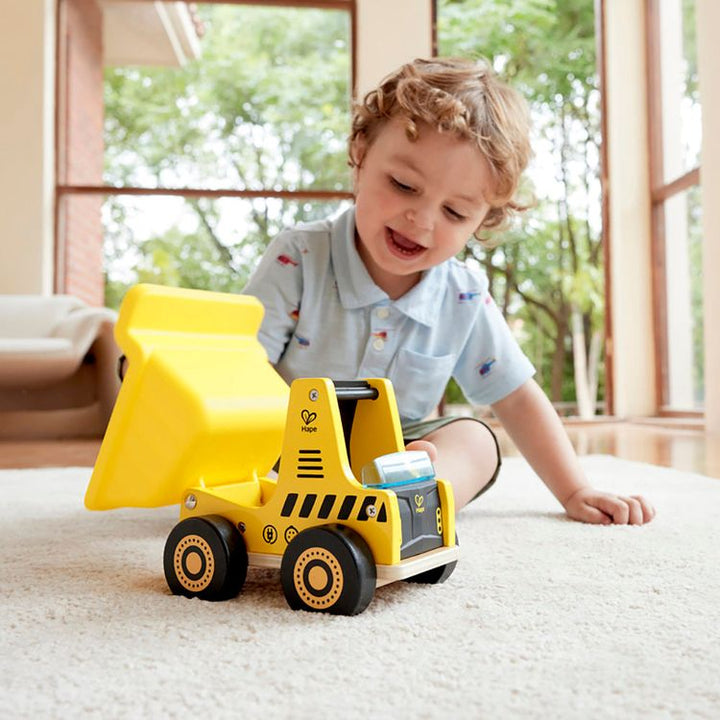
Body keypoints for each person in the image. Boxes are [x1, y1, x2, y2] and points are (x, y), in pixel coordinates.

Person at [243, 57, 655, 525]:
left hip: (392, 464)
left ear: (483, 220)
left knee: (476, 440)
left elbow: (516, 397)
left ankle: (408, 509)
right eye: (403, 185)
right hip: (289, 453)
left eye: (455, 213)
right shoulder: (299, 255)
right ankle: (335, 503)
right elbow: (242, 367)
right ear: (360, 153)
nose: (421, 220)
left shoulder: (463, 294)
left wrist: (576, 490)